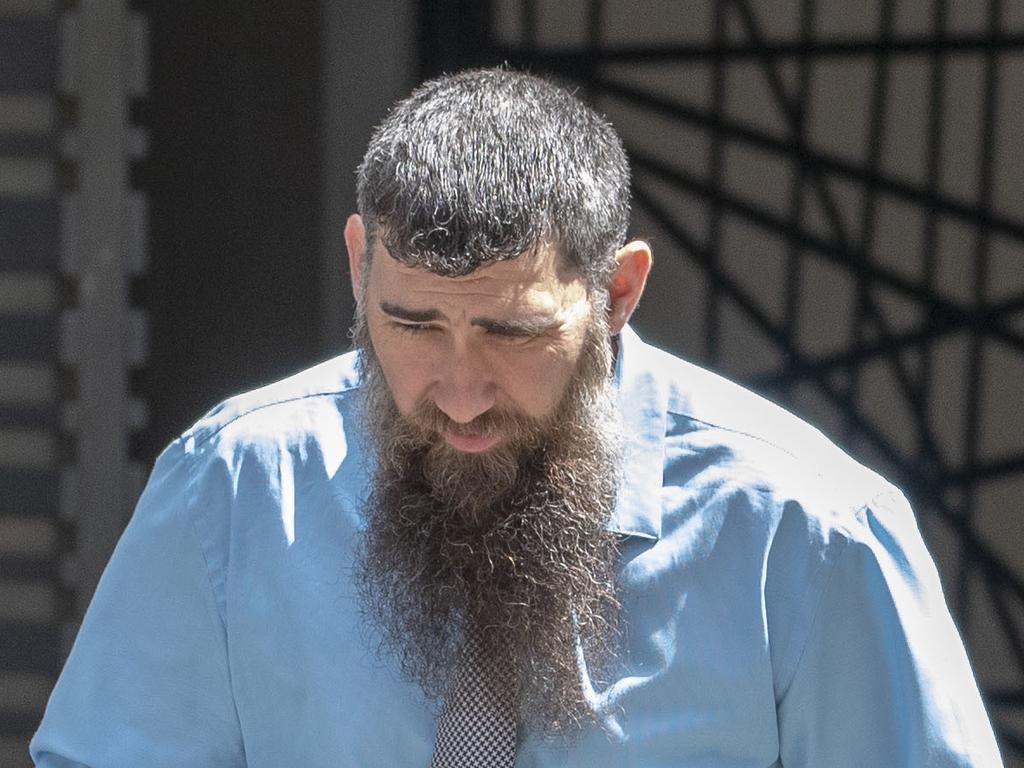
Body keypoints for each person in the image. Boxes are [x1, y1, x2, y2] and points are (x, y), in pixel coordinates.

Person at [32, 67, 1002, 767]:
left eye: (511, 331)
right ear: (357, 263)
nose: (458, 391)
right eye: (410, 323)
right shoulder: (234, 488)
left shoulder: (811, 534)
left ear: (618, 292)